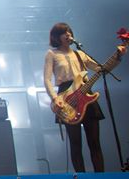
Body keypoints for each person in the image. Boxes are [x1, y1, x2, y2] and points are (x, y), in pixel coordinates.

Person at [43, 22, 126, 172]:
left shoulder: (79, 54)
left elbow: (102, 70)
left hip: (85, 92)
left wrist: (118, 56)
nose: (68, 34)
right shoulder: (52, 54)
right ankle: (81, 176)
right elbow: (47, 79)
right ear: (56, 37)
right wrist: (55, 98)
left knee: (94, 142)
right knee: (75, 144)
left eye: (69, 32)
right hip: (66, 96)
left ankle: (100, 175)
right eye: (64, 33)